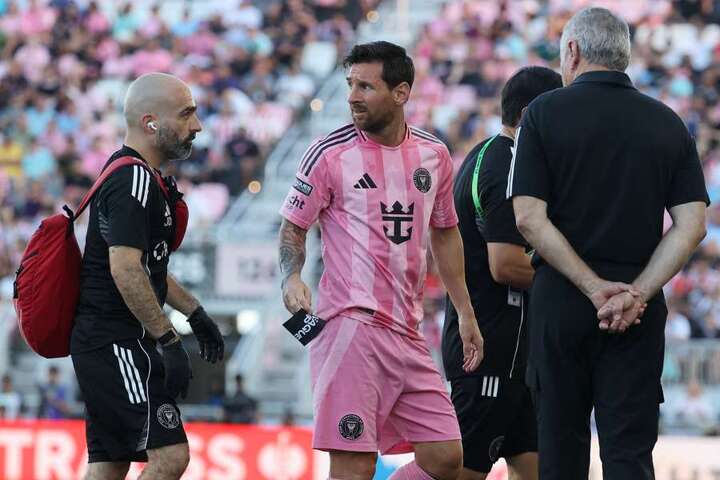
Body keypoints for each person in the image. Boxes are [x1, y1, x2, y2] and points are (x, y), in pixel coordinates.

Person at [507, 8, 709, 480]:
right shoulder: (668, 122)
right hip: (637, 310)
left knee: (560, 453)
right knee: (629, 455)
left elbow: (528, 218)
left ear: (573, 51)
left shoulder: (542, 114)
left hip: (562, 302)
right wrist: (637, 292)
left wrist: (593, 287)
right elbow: (692, 225)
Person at [278, 41, 484, 480]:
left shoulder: (434, 154)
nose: (353, 96)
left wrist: (465, 311)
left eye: (366, 87)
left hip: (407, 330)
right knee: (354, 465)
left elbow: (445, 232)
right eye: (350, 84)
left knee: (446, 458)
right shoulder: (329, 153)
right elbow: (293, 227)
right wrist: (291, 277)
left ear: (401, 92)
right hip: (350, 326)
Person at [70, 72, 225, 480]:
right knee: (171, 457)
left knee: (110, 465)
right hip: (116, 341)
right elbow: (125, 269)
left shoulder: (141, 176)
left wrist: (195, 313)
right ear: (150, 122)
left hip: (106, 341)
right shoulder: (134, 178)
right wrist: (169, 339)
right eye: (186, 114)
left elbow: (148, 268)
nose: (197, 125)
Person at [442, 66, 562, 480]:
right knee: (463, 471)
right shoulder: (506, 163)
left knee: (535, 469)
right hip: (490, 349)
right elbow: (505, 263)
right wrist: (577, 281)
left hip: (515, 354)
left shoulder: (489, 154)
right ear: (531, 115)